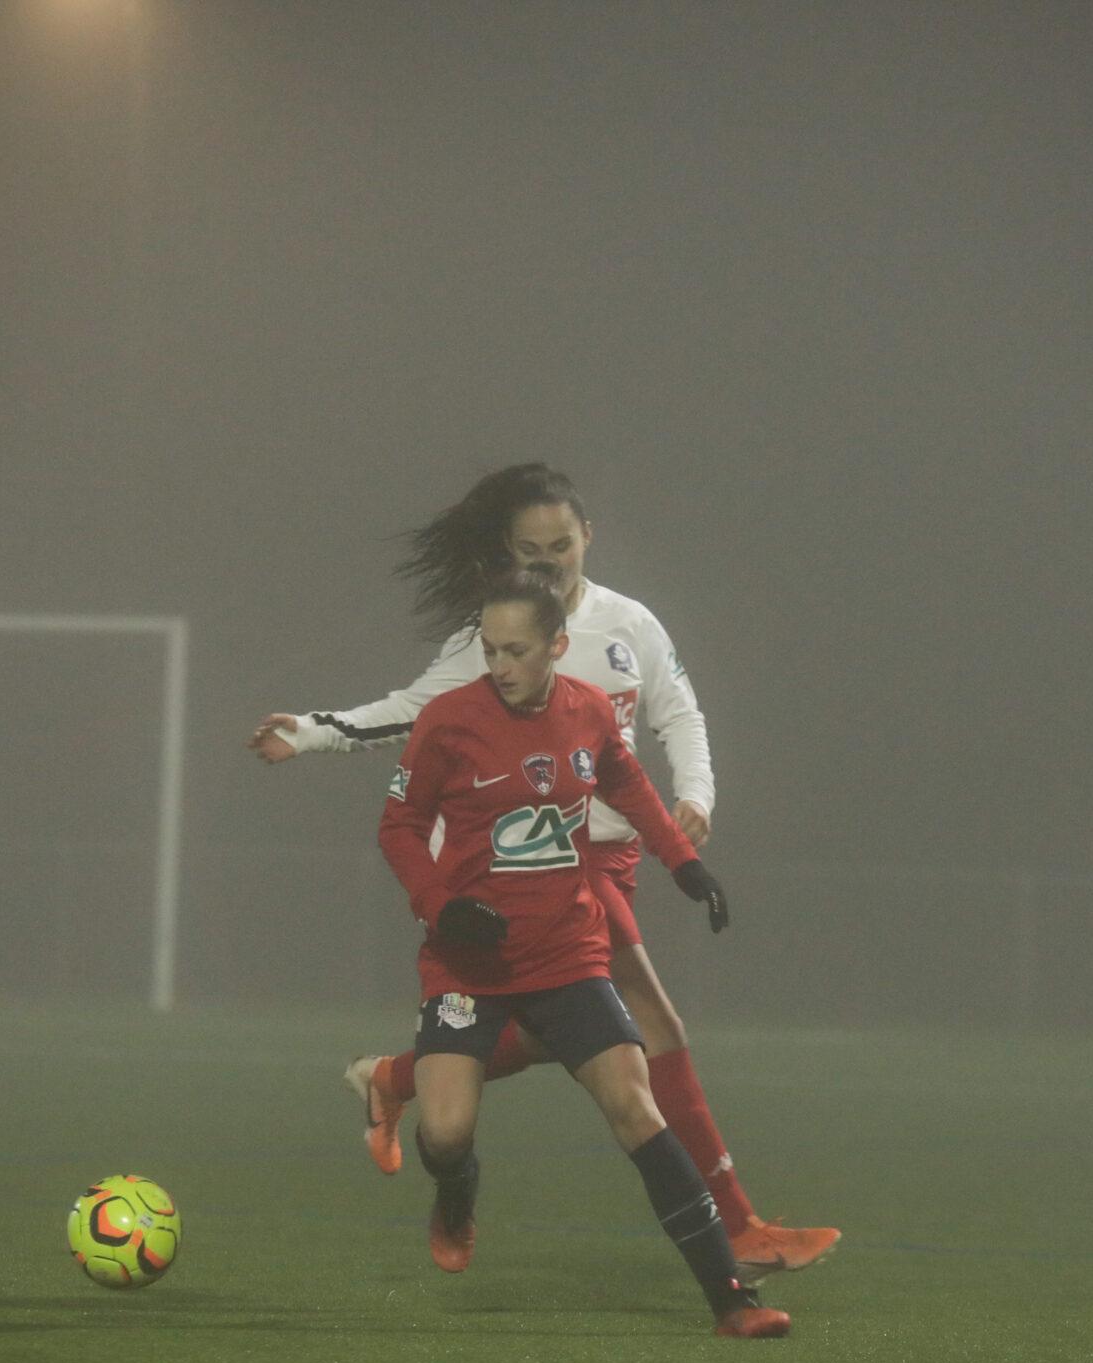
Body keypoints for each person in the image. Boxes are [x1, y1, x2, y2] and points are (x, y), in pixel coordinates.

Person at [249, 463, 838, 1281]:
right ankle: (735, 1226)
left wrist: (694, 797)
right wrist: (313, 731)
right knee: (654, 1029)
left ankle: (395, 1076)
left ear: (588, 536)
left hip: (615, 855)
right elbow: (410, 710)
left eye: (562, 544)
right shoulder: (494, 639)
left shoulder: (631, 623)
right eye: (532, 548)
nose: (551, 560)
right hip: (538, 860)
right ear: (508, 553)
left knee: (565, 1031)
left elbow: (677, 713)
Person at [377, 571, 787, 1338]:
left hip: (569, 952)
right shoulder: (448, 721)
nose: (499, 665)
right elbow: (399, 825)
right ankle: (457, 1192)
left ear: (557, 646)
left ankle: (732, 1299)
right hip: (468, 962)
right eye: (490, 649)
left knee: (637, 1109)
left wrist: (684, 864)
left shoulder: (588, 710)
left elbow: (628, 786)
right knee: (445, 1132)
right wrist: (441, 907)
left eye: (517, 650)